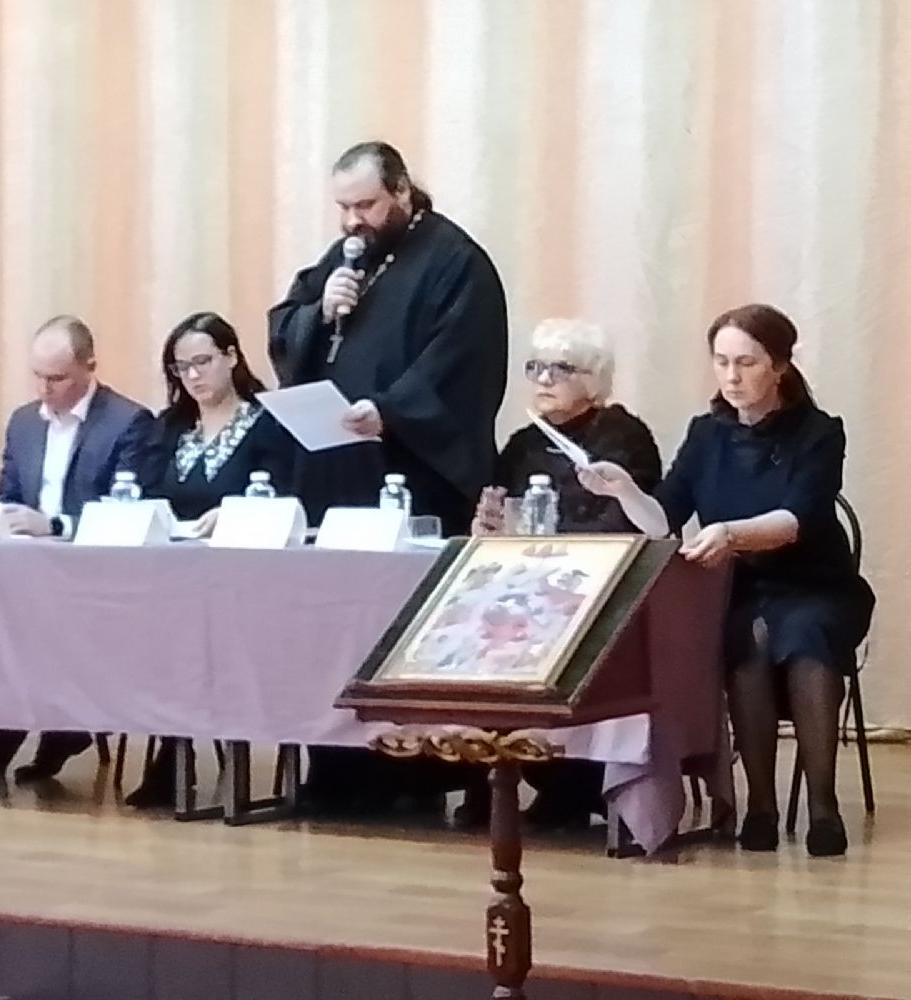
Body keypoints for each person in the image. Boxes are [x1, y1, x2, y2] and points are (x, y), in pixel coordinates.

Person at [578, 304, 874, 858]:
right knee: (747, 638)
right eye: (721, 362)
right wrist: (624, 490)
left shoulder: (819, 432)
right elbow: (662, 519)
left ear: (779, 366)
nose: (732, 376)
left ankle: (823, 806)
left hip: (815, 582)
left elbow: (797, 520)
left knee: (806, 634)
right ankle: (759, 806)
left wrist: (730, 533)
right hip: (738, 589)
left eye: (747, 362)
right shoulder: (705, 433)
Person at [0, 316, 153, 807]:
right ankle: (57, 728)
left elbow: (127, 513)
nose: (45, 389)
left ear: (90, 367)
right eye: (38, 377)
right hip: (23, 575)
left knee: (25, 633)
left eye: (58, 378)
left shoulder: (128, 422)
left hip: (94, 582)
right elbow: (8, 495)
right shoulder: (24, 422)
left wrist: (56, 525)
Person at [469, 319, 662, 829]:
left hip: (599, 590)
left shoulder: (624, 437)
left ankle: (575, 785)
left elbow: (626, 529)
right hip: (526, 586)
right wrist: (487, 527)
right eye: (535, 367)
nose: (544, 379)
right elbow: (500, 515)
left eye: (561, 368)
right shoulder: (522, 443)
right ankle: (486, 775)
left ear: (594, 380)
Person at [268, 140, 508, 535]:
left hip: (409, 470)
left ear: (402, 191)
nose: (352, 221)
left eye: (365, 205)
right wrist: (320, 312)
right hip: (334, 467)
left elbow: (460, 362)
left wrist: (389, 412)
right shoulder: (346, 255)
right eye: (344, 208)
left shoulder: (456, 261)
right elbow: (285, 324)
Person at [122, 311, 299, 809]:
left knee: (200, 633)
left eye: (203, 362)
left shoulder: (267, 423)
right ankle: (172, 752)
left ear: (232, 357)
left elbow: (284, 498)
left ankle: (188, 761)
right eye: (182, 368)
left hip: (245, 581)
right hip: (171, 577)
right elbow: (144, 492)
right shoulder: (170, 427)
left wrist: (235, 513)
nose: (194, 376)